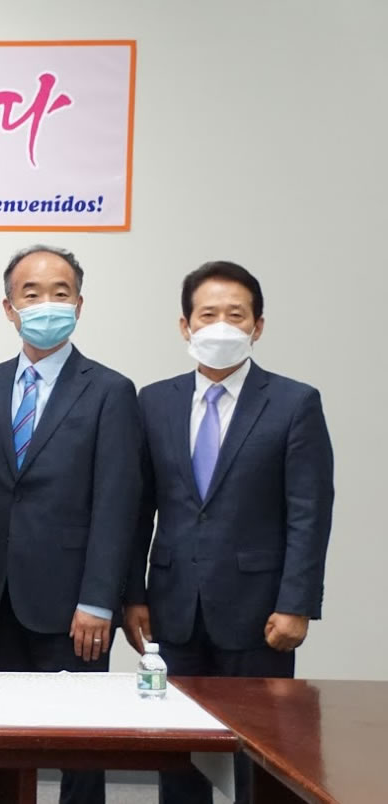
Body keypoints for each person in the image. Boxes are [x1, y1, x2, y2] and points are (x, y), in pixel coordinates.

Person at [123, 260, 333, 804]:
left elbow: (309, 512)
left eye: (235, 315)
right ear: (185, 326)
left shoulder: (294, 403)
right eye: (207, 314)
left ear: (258, 326)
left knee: (259, 759)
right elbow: (138, 507)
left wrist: (297, 604)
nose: (221, 326)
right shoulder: (154, 401)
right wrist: (133, 595)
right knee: (178, 756)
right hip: (173, 608)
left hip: (259, 614)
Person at [0, 246, 141, 804]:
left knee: (79, 744)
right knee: (1, 741)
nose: (46, 304)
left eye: (60, 293)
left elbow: (117, 503)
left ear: (79, 305)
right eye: (32, 293)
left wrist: (99, 602)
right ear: (9, 308)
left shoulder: (110, 390)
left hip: (73, 608)